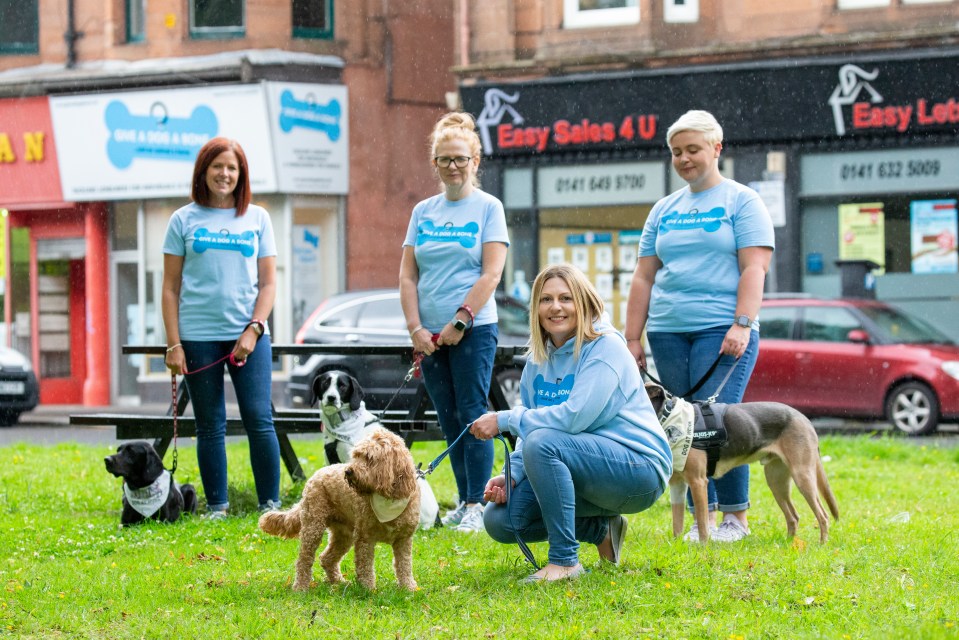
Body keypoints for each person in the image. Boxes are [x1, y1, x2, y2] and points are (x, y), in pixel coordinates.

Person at [624, 110, 775, 542]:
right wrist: (632, 338)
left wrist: (742, 324)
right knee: (682, 426)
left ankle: (735, 518)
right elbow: (644, 276)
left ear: (716, 148)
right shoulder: (664, 209)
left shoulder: (742, 201)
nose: (685, 159)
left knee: (720, 423)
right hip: (669, 331)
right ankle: (701, 520)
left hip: (723, 330)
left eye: (693, 149)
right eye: (677, 152)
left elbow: (754, 268)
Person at [470, 264, 672, 582]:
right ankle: (600, 528)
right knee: (502, 519)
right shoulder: (538, 361)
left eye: (566, 298)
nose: (556, 307)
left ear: (584, 303)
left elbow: (575, 417)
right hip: (581, 467)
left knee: (544, 441)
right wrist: (516, 473)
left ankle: (565, 562)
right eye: (546, 299)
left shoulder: (606, 348)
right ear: (536, 308)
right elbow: (532, 434)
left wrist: (505, 419)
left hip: (638, 472)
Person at [399, 112, 510, 533]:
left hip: (473, 330)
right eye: (444, 159)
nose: (453, 166)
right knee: (448, 417)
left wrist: (460, 321)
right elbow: (408, 275)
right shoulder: (423, 211)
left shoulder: (488, 208)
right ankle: (464, 502)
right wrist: (416, 329)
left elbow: (491, 273)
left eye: (461, 158)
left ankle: (478, 504)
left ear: (475, 160)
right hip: (428, 336)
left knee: (473, 413)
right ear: (435, 164)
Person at [162, 136, 281, 518]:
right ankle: (217, 506)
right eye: (218, 167)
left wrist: (254, 329)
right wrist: (173, 344)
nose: (225, 174)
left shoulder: (257, 218)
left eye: (232, 168)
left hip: (249, 336)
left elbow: (269, 284)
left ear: (241, 174)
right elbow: (169, 288)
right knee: (209, 424)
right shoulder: (182, 220)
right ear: (204, 171)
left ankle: (271, 505)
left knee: (259, 420)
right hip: (197, 338)